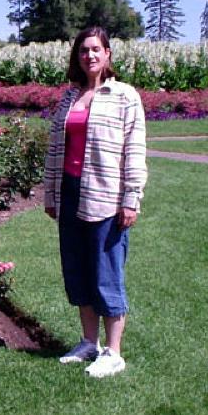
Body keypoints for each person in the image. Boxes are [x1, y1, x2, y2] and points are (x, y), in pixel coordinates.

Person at [43, 26, 147, 378]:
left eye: (95, 49)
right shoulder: (68, 98)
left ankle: (114, 352)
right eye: (83, 50)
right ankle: (89, 343)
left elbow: (134, 152)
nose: (89, 55)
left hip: (106, 195)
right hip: (70, 193)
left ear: (108, 55)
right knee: (78, 270)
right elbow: (55, 150)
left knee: (106, 270)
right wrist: (51, 194)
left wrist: (130, 199)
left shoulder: (124, 96)